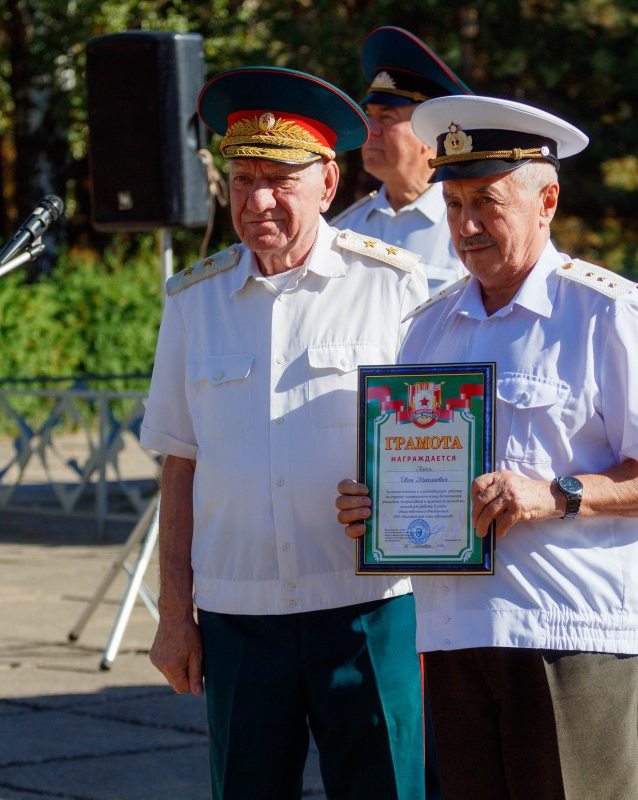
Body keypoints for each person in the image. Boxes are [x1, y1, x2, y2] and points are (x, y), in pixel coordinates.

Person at [336, 95, 638, 800]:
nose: (467, 226)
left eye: (487, 201)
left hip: (570, 635)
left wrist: (558, 494)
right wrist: (372, 507)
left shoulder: (603, 310)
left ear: (548, 201)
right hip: (454, 637)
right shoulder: (428, 327)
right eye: (453, 205)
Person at [141, 66, 428, 800]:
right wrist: (175, 615)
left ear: (328, 183)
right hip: (239, 621)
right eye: (241, 179)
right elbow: (180, 466)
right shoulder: (193, 302)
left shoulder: (396, 286)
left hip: (369, 609)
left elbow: (441, 441)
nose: (258, 199)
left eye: (280, 178)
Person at [331, 27, 471, 293]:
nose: (370, 130)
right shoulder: (344, 229)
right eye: (369, 115)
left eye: (387, 117)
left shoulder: (471, 225)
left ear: (430, 133)